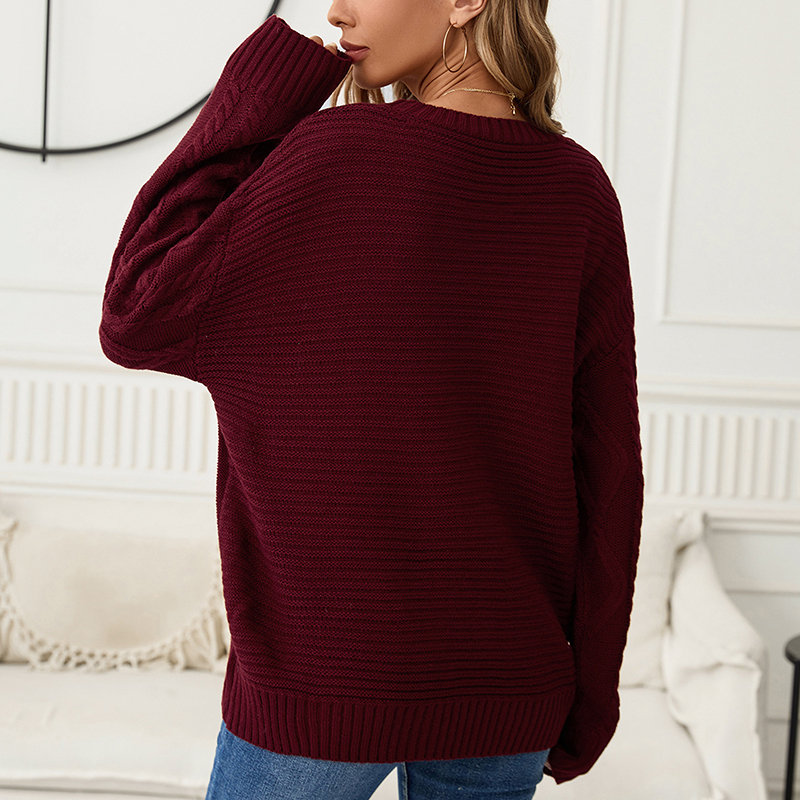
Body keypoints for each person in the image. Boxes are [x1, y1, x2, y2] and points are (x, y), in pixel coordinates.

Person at [99, 0, 644, 795]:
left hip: (322, 685)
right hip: (510, 690)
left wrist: (263, 89)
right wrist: (590, 696)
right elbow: (609, 473)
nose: (337, 9)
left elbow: (136, 311)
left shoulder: (331, 156)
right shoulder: (579, 191)